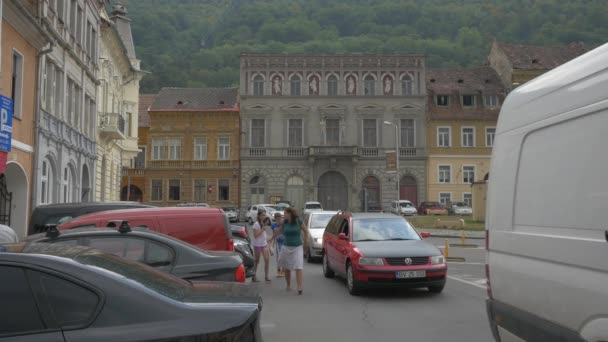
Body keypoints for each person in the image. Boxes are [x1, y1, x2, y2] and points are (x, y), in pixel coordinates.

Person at [269, 207, 310, 295]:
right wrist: (271, 238)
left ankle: (299, 287)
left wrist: (306, 242)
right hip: (286, 246)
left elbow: (306, 231)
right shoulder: (285, 222)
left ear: (290, 213)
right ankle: (288, 285)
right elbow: (278, 231)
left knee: (298, 266)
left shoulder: (298, 220)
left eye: (285, 213)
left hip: (297, 246)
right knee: (286, 266)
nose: (284, 215)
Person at [251, 210, 271, 283]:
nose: (264, 216)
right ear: (259, 216)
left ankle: (266, 276)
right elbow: (255, 236)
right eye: (262, 215)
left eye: (265, 215)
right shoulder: (256, 224)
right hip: (257, 245)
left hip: (264, 244)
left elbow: (264, 235)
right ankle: (254, 276)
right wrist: (262, 230)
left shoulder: (264, 223)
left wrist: (268, 240)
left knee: (267, 260)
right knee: (257, 261)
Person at [270, 212, 285, 277]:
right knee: (278, 257)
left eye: (280, 218)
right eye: (277, 218)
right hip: (278, 243)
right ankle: (278, 270)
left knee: (284, 257)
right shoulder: (273, 226)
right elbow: (274, 235)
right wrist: (272, 245)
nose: (279, 220)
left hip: (284, 243)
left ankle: (283, 271)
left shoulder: (283, 225)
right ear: (275, 219)